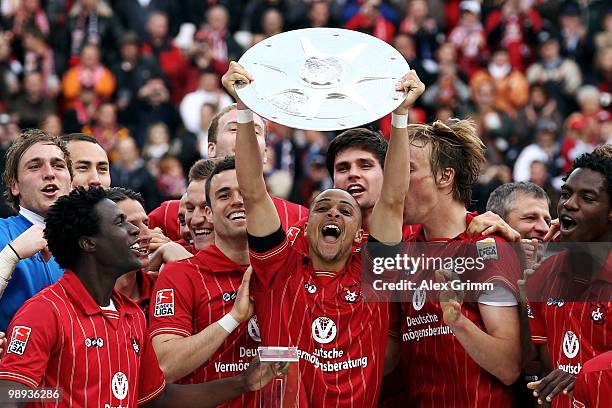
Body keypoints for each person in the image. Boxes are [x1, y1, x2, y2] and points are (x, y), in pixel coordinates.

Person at [224, 60, 423, 406]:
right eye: (323, 207)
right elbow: (253, 190)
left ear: (358, 232)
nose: (333, 212)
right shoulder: (278, 267)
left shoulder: (374, 271)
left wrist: (402, 115)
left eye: (346, 211)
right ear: (306, 223)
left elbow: (393, 199)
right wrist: (243, 110)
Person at [0, 187, 279, 407]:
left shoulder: (131, 315)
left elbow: (158, 399)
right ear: (89, 243)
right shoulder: (44, 312)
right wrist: (61, 397)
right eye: (121, 223)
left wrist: (243, 382)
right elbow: (8, 396)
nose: (137, 231)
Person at [393, 119, 522, 406]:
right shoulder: (401, 248)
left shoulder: (487, 248)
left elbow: (509, 367)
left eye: (409, 170)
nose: (397, 181)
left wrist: (458, 322)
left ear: (445, 176)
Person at [150, 157, 261, 407]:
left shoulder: (284, 266)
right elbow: (164, 365)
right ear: (210, 212)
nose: (237, 200)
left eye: (244, 192)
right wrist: (233, 318)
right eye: (224, 195)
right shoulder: (180, 275)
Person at [525, 152, 612, 408]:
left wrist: (586, 378)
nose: (569, 204)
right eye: (566, 193)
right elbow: (538, 369)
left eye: (587, 198)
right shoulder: (542, 274)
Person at [0, 129, 71, 331]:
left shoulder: (92, 242)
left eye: (58, 165)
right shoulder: (2, 233)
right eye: (34, 166)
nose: (49, 173)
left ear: (71, 182)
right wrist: (9, 256)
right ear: (15, 186)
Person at [106, 187, 156, 317]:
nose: (147, 235)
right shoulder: (78, 297)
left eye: (146, 223)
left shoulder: (161, 288)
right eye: (131, 225)